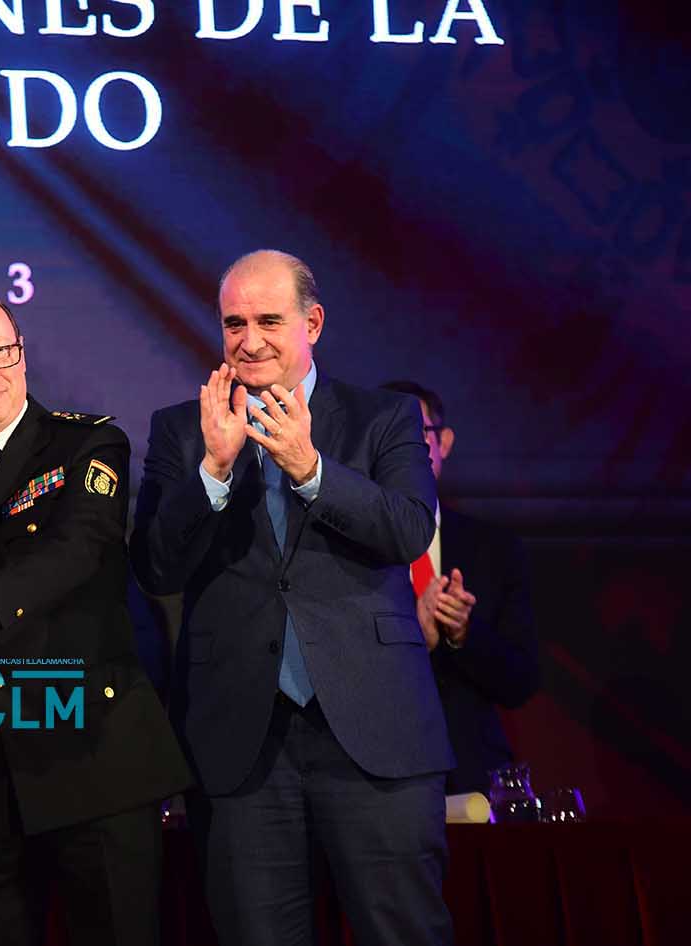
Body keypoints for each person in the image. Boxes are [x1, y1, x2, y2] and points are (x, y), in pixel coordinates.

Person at [132, 250, 454, 946]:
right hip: (240, 741)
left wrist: (311, 470)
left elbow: (406, 530)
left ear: (312, 323)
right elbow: (154, 567)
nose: (249, 341)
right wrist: (213, 472)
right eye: (233, 324)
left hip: (374, 731)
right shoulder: (182, 429)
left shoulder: (383, 417)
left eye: (269, 321)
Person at [0, 290, 192, 946]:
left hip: (92, 758)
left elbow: (77, 551)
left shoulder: (88, 443)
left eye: (1, 352)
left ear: (21, 353)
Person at [380, 380, 539, 796]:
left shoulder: (494, 549)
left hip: (472, 780)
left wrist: (464, 634)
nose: (404, 449)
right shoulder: (342, 548)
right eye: (389, 435)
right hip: (376, 782)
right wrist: (413, 638)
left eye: (417, 432)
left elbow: (521, 681)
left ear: (443, 442)